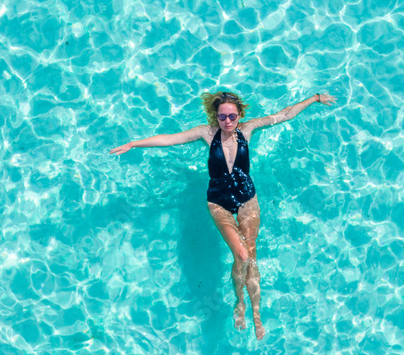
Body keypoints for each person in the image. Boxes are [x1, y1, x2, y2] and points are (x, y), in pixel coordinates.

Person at [110, 91, 336, 340]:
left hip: (247, 199)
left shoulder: (247, 130)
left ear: (239, 115)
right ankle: (240, 302)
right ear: (215, 117)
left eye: (232, 116)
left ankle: (256, 314)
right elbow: (169, 139)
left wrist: (314, 98)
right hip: (219, 202)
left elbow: (283, 115)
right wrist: (134, 144)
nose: (227, 121)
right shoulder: (206, 134)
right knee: (241, 254)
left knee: (251, 257)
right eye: (222, 117)